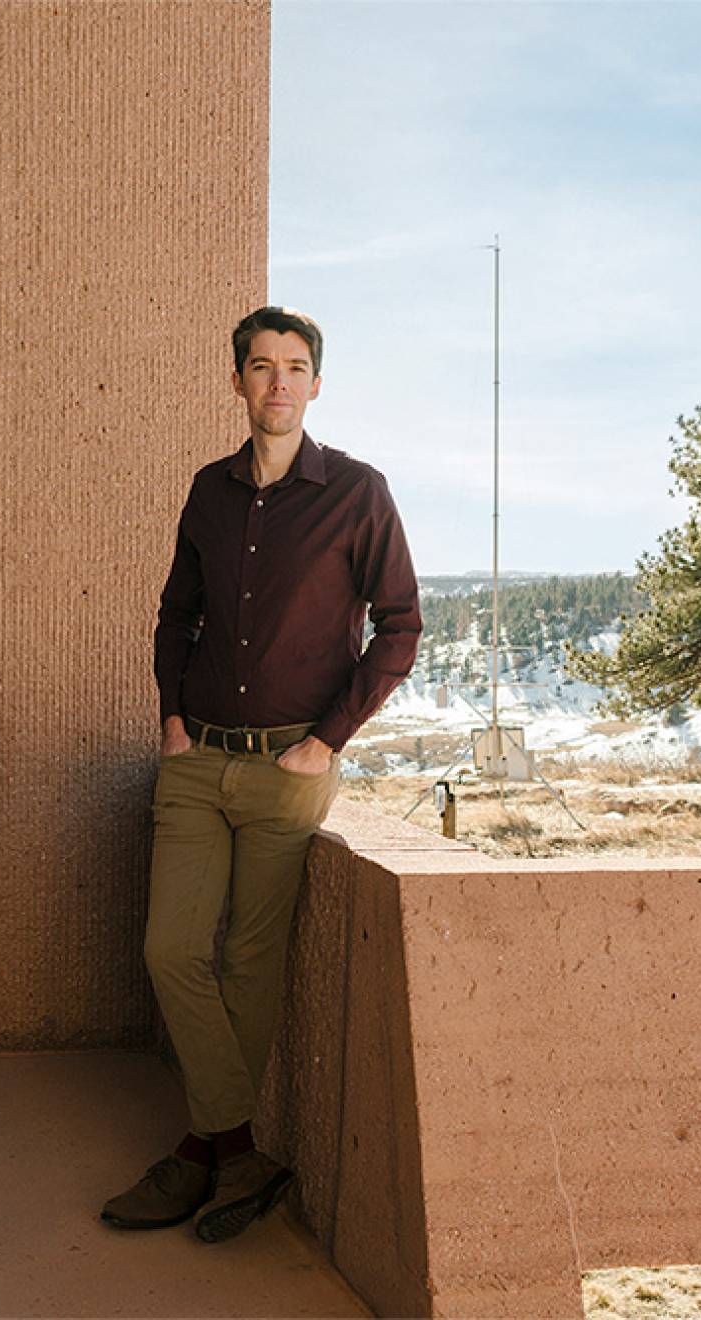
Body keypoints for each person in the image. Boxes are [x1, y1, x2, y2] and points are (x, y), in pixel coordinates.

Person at [100, 306, 421, 1243]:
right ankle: (235, 1148)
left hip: (290, 767)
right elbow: (176, 615)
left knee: (249, 959)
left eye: (294, 367)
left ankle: (200, 1154)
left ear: (316, 385)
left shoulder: (358, 493)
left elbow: (400, 625)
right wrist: (170, 717)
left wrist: (329, 740)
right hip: (198, 760)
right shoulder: (208, 492)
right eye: (259, 367)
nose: (277, 383)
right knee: (171, 948)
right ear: (237, 383)